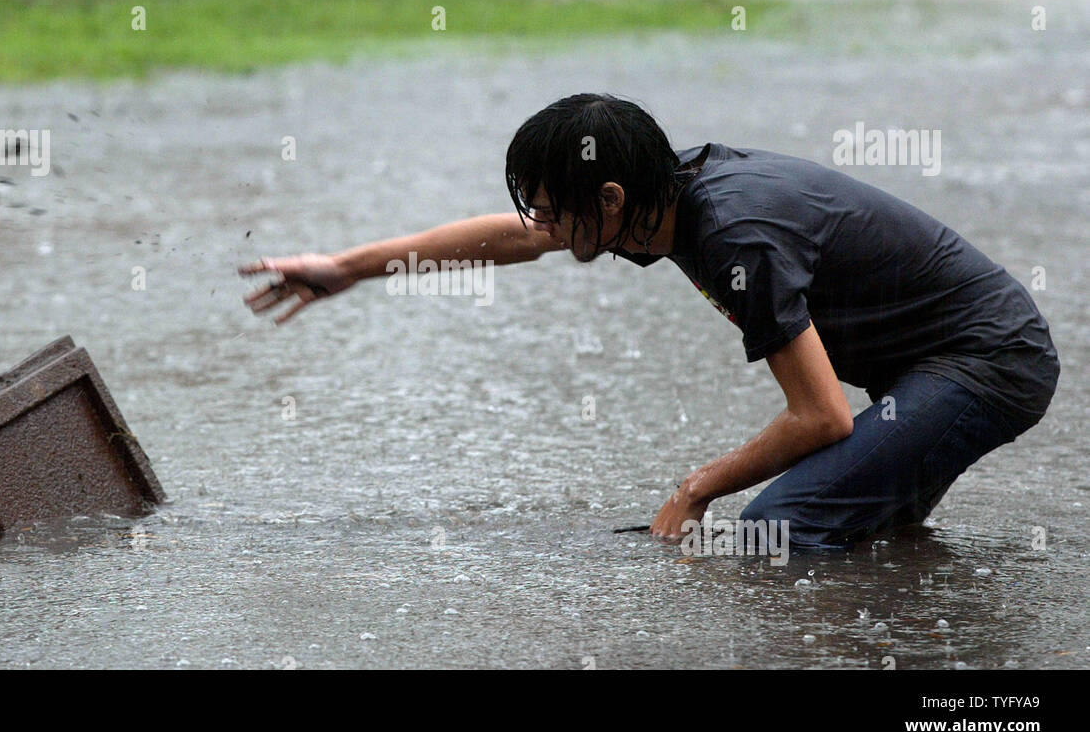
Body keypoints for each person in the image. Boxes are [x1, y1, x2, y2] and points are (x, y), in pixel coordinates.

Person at [239, 93, 1058, 549]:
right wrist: (346, 268)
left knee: (773, 531)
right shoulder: (659, 195)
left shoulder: (735, 235)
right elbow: (507, 240)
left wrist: (693, 489)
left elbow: (821, 414)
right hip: (931, 364)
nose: (545, 230)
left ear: (610, 200)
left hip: (986, 361)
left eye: (556, 214)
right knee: (870, 538)